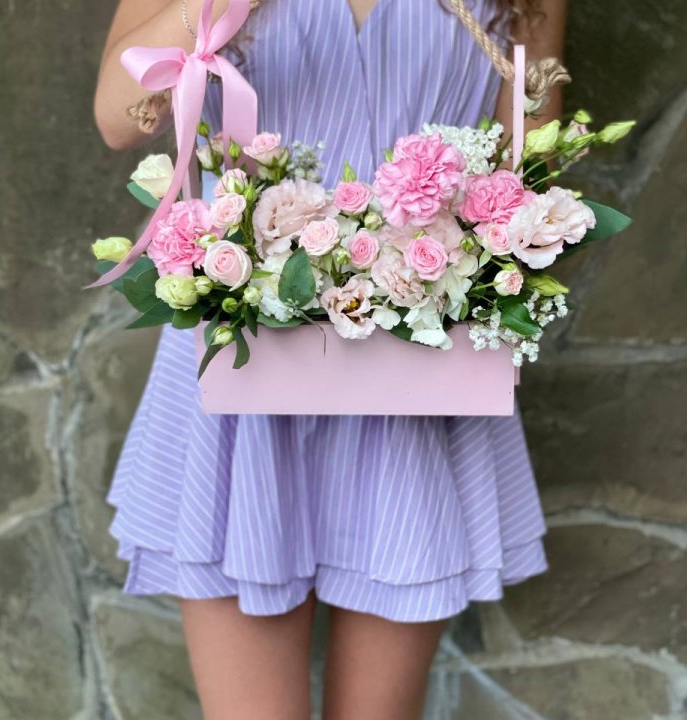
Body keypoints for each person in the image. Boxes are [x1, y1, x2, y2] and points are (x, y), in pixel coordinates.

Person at [94, 1, 566, 718]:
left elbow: (530, 161)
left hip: (416, 370)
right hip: (242, 363)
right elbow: (119, 118)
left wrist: (483, 269)